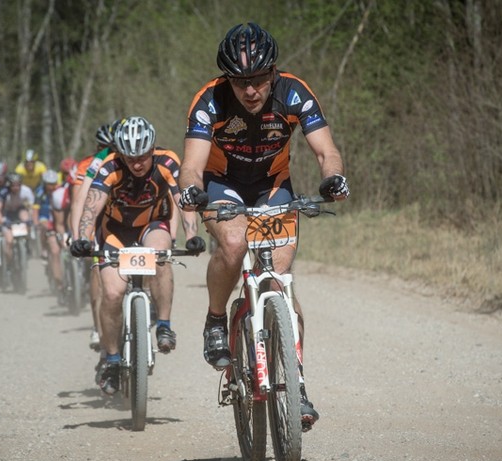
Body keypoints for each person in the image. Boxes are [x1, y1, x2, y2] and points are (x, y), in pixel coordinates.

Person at [177, 22, 350, 430]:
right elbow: (191, 167)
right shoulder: (210, 100)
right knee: (234, 245)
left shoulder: (294, 92)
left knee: (281, 283)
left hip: (273, 186)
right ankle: (216, 318)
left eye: (258, 80)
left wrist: (334, 179)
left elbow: (327, 152)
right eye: (240, 82)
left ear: (273, 72)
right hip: (223, 186)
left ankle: (297, 383)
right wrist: (189, 191)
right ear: (227, 80)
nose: (250, 90)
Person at [69, 116, 205, 395]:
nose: (138, 164)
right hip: (115, 231)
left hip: (150, 225)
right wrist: (82, 239)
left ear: (152, 148)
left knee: (161, 254)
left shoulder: (167, 161)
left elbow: (183, 201)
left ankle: (164, 325)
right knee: (112, 293)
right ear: (120, 154)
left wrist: (192, 236)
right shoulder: (109, 167)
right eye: (130, 159)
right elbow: (91, 210)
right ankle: (112, 358)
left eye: (143, 156)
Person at [69, 121, 118, 351]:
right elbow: (78, 200)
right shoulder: (91, 163)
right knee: (99, 272)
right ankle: (97, 326)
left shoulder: (135, 160)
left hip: (126, 217)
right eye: (104, 146)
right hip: (97, 219)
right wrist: (77, 235)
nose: (108, 150)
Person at [0, 172, 35, 267]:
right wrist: (2, 221)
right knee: (9, 241)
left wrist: (30, 219)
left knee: (25, 217)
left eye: (18, 185)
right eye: (13, 185)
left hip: (20, 211)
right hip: (6, 215)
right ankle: (9, 263)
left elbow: (31, 207)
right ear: (9, 185)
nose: (16, 188)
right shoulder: (3, 192)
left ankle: (27, 243)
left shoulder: (26, 191)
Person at [34, 169, 65, 300]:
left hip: (59, 219)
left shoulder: (60, 191)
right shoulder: (40, 193)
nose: (51, 186)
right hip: (45, 217)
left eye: (54, 183)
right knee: (44, 227)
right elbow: (35, 210)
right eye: (49, 184)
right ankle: (44, 249)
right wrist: (36, 222)